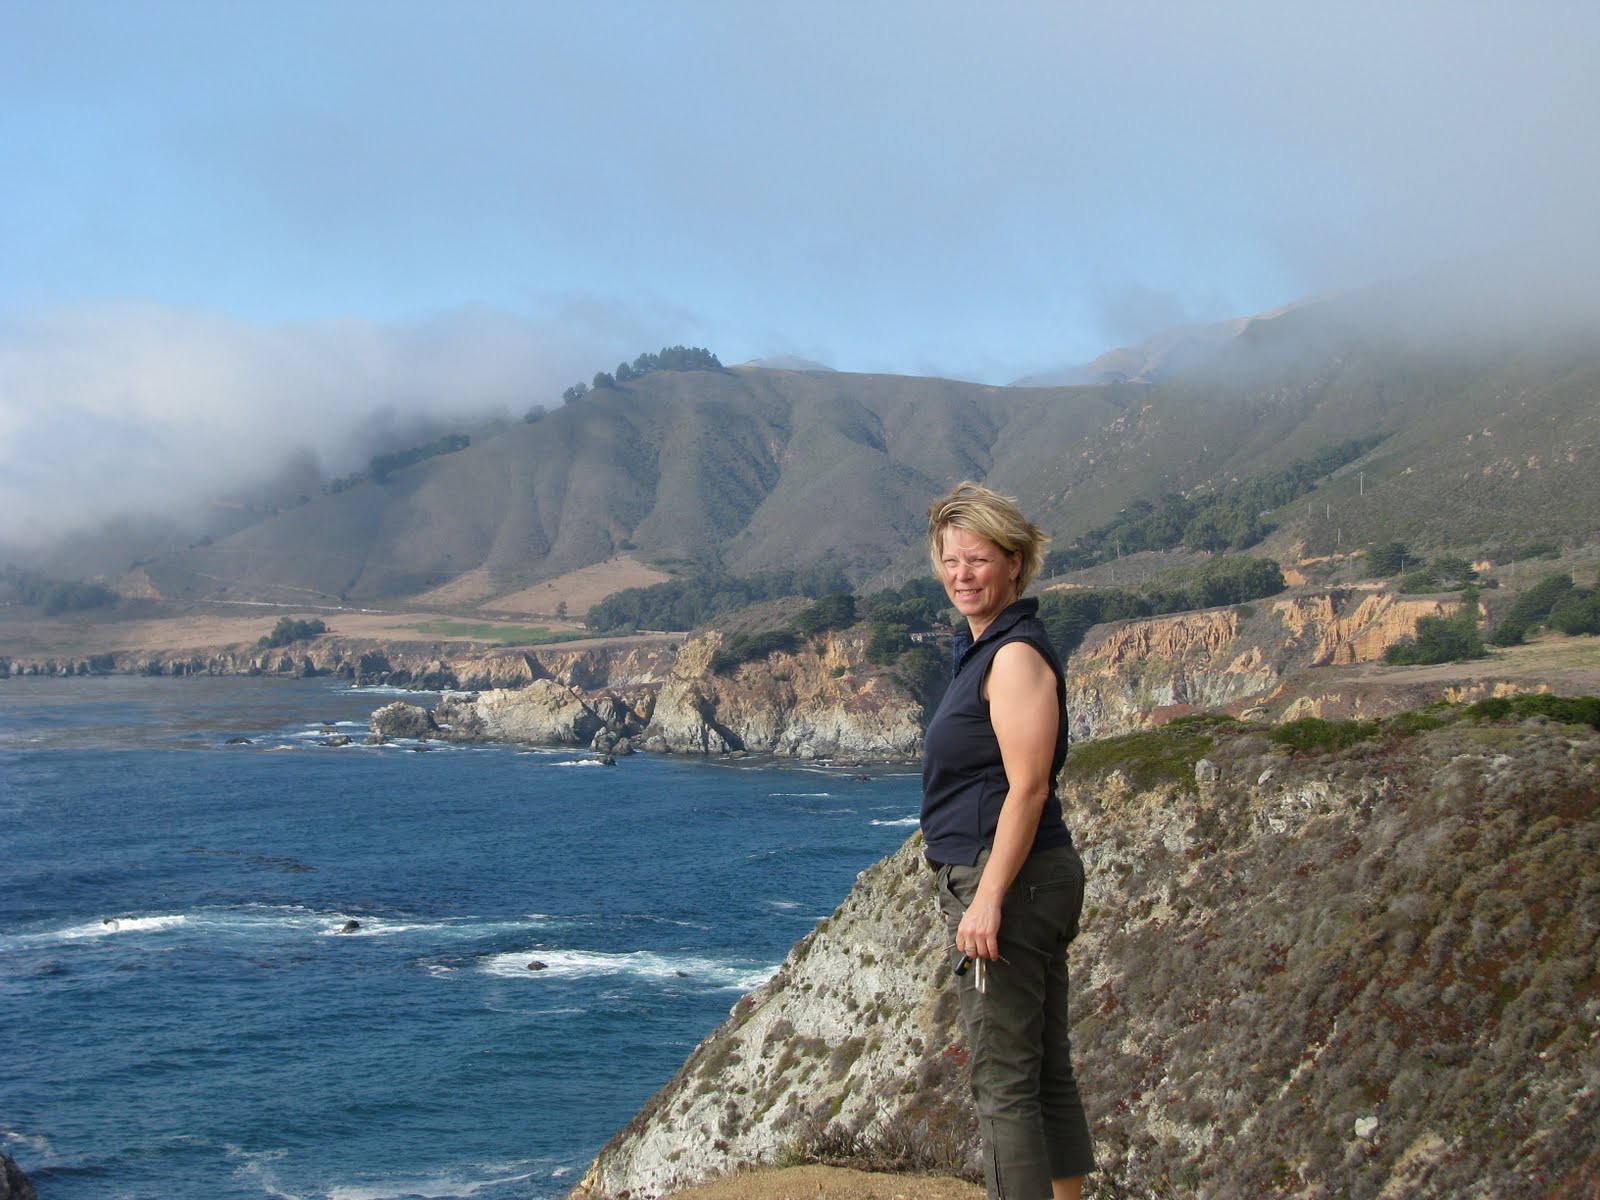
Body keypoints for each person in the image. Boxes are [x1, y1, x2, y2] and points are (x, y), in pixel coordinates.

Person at [920, 481, 1094, 1200]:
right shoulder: (983, 648)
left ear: (1015, 563)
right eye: (951, 560)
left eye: (979, 559)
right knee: (1045, 1071)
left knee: (1004, 1082)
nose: (962, 574)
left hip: (1008, 880)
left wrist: (987, 898)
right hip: (1028, 875)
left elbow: (1029, 788)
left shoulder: (1014, 656)